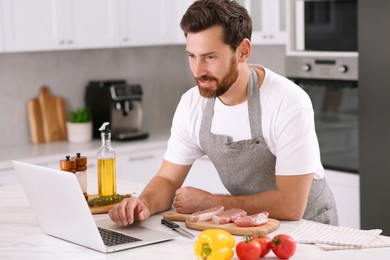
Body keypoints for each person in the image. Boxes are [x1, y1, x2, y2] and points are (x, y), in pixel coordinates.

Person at [109, 0, 338, 226]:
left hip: (310, 230)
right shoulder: (192, 104)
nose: (198, 70)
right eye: (192, 56)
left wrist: (210, 202)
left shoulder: (287, 101)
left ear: (243, 51)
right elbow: (167, 179)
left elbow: (291, 204)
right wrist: (144, 203)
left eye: (210, 57)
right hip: (251, 229)